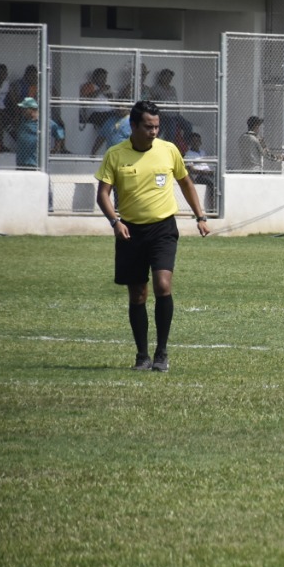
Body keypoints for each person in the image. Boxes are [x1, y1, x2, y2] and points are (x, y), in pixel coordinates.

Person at [95, 100, 209, 374]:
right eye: (148, 126)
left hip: (163, 229)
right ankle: (142, 355)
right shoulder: (115, 154)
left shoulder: (169, 151)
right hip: (130, 231)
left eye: (157, 126)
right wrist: (115, 221)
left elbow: (186, 183)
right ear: (133, 126)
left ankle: (162, 353)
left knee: (163, 285)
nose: (154, 131)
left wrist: (200, 216)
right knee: (138, 294)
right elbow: (103, 195)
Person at [13, 96, 63, 169]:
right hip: (21, 161)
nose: (22, 110)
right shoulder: (23, 120)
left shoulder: (44, 122)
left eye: (25, 108)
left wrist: (55, 149)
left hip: (35, 162)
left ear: (32, 109)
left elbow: (59, 132)